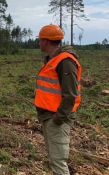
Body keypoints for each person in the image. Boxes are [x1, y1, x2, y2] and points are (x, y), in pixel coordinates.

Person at [35, 25, 81, 175]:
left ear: (46, 42)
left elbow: (70, 95)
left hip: (57, 118)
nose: (39, 43)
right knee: (54, 158)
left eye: (40, 40)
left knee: (58, 162)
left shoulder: (65, 61)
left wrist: (57, 120)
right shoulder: (52, 59)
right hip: (48, 116)